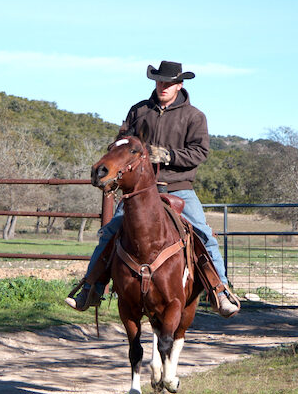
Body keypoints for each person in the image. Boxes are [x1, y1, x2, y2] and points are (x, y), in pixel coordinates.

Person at [66, 60, 240, 317]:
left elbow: (200, 152)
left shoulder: (194, 116)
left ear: (179, 85)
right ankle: (90, 288)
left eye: (168, 83)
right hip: (140, 191)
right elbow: (123, 140)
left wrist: (167, 155)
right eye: (159, 81)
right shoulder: (139, 111)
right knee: (110, 232)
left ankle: (220, 292)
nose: (163, 86)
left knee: (204, 235)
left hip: (178, 187)